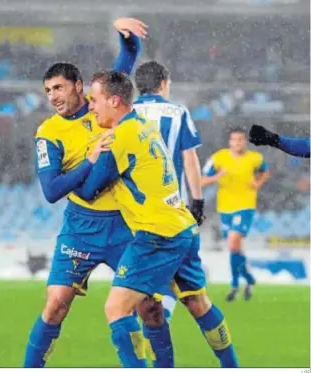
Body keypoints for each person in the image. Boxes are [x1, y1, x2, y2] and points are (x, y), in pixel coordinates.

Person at [24, 18, 175, 369]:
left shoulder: (103, 102)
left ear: (79, 86)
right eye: (47, 91)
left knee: (149, 308)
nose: (53, 97)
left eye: (58, 88)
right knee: (56, 304)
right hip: (80, 227)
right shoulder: (48, 133)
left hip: (124, 224)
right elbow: (50, 191)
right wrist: (88, 162)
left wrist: (124, 33)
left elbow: (129, 55)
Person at [74, 70, 239, 368]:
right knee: (197, 304)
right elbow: (187, 157)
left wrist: (86, 160)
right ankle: (232, 367)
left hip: (156, 234)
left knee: (116, 309)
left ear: (114, 100)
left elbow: (87, 191)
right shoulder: (145, 125)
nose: (90, 106)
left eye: (94, 100)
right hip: (181, 224)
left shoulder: (119, 138)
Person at [132, 60, 205, 357]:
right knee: (193, 293)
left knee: (142, 288)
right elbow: (189, 159)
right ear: (163, 83)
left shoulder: (126, 114)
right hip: (174, 212)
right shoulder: (178, 113)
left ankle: (145, 346)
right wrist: (197, 201)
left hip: (136, 215)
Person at [202, 128, 270, 301]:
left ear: (245, 141)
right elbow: (202, 180)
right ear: (229, 142)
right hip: (225, 208)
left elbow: (265, 171)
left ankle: (234, 284)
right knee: (235, 248)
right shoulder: (219, 158)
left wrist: (258, 183)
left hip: (245, 206)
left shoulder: (254, 158)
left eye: (241, 140)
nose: (238, 143)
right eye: (234, 140)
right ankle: (248, 278)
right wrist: (217, 176)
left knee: (233, 243)